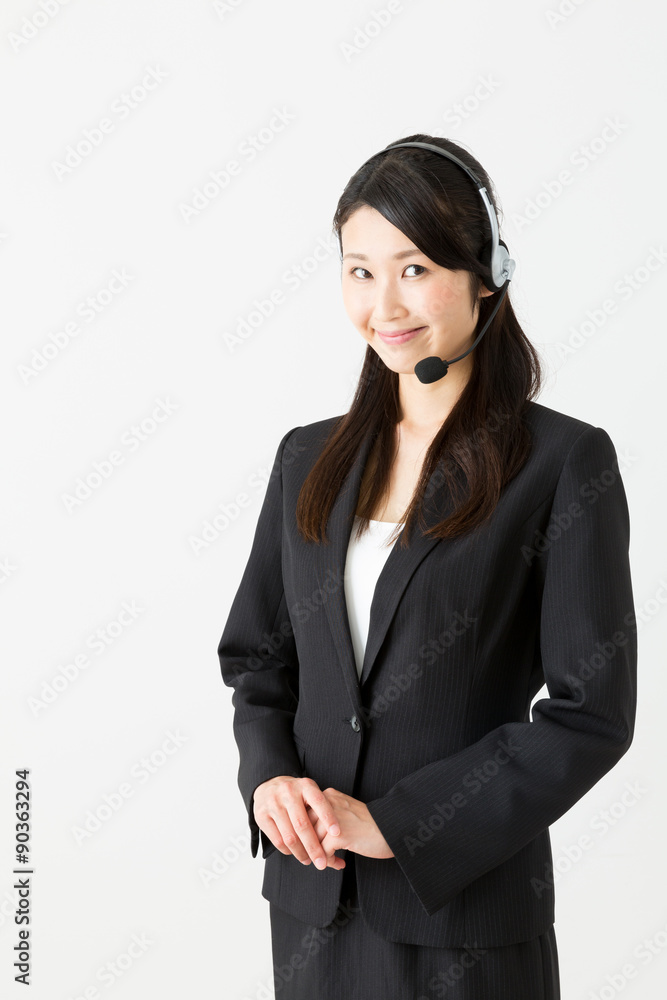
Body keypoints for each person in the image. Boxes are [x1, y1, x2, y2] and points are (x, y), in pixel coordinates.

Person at [217, 134, 637, 999]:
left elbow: (591, 715)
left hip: (465, 922)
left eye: (413, 268)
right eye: (359, 271)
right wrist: (268, 782)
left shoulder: (562, 462)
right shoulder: (306, 458)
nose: (383, 304)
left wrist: (401, 826)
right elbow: (259, 664)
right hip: (313, 910)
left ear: (485, 272)